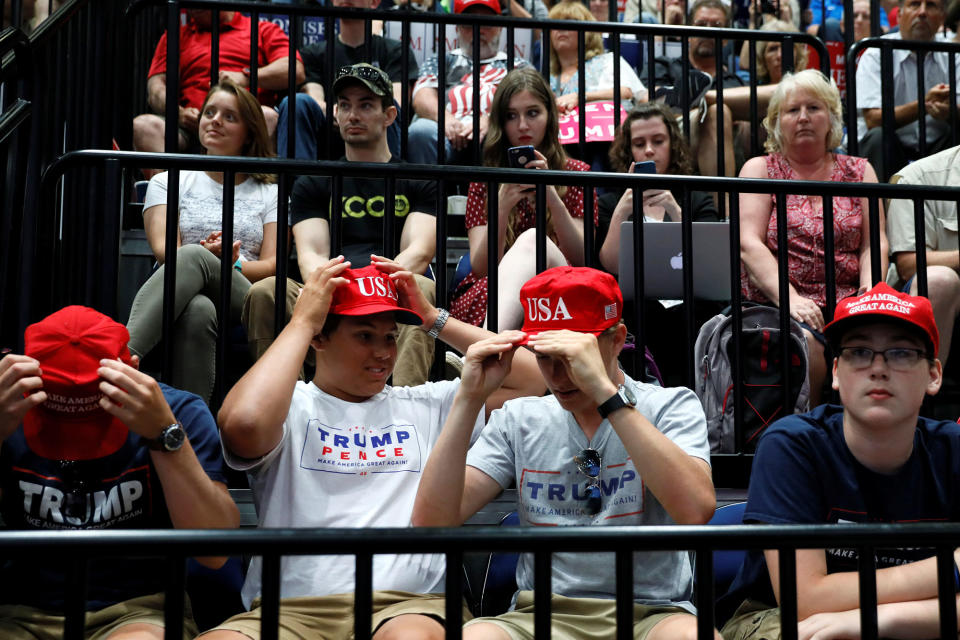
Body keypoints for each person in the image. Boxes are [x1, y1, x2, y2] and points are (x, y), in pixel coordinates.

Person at [202, 258, 543, 640]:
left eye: (389, 337)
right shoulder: (288, 404)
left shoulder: (428, 403)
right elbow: (242, 425)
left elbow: (532, 378)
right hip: (289, 611)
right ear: (319, 338)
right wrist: (301, 322)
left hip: (408, 604)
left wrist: (432, 318)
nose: (383, 352)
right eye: (365, 336)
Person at [412, 266, 717, 640]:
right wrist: (468, 400)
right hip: (538, 613)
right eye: (543, 356)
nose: (556, 375)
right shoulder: (520, 418)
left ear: (617, 339)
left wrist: (607, 396)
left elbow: (695, 510)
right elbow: (431, 524)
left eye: (572, 355)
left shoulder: (671, 406)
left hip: (653, 613)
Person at [719, 282, 960, 639]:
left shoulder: (953, 449)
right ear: (834, 372)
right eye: (859, 352)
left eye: (901, 353)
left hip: (914, 617)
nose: (878, 368)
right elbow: (806, 600)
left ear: (934, 375)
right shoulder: (791, 444)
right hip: (781, 618)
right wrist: (951, 567)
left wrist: (881, 621)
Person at [0, 305, 238, 639]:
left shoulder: (178, 409)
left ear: (133, 371)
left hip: (138, 610)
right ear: (23, 377)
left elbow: (215, 552)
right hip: (20, 610)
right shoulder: (6, 405)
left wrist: (165, 435)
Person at [243, 64, 438, 387]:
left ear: (389, 115)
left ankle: (407, 414)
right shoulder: (314, 182)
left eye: (365, 105)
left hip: (391, 296)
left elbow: (419, 252)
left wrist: (369, 290)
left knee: (424, 288)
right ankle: (280, 404)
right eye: (345, 105)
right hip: (333, 295)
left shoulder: (419, 180)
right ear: (335, 114)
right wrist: (345, 290)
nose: (353, 114)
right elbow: (310, 256)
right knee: (266, 292)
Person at [739, 69, 887, 406]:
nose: (804, 117)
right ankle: (808, 436)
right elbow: (748, 243)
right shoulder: (760, 169)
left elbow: (873, 242)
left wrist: (869, 292)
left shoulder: (860, 171)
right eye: (792, 111)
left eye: (814, 108)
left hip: (848, 302)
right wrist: (791, 299)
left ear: (832, 117)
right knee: (805, 343)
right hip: (775, 304)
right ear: (776, 123)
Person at [126, 80, 278, 403]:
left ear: (249, 132)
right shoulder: (168, 180)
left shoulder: (271, 190)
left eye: (230, 116)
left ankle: (121, 358)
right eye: (209, 112)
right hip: (183, 293)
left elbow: (273, 265)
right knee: (198, 310)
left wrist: (230, 264)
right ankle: (192, 434)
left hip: (243, 295)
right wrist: (206, 257)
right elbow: (165, 250)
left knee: (195, 257)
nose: (215, 121)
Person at [449, 67, 597, 331]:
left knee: (532, 239)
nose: (523, 125)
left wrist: (552, 196)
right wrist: (502, 206)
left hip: (561, 287)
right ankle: (489, 352)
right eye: (511, 116)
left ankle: (483, 353)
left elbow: (584, 259)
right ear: (500, 122)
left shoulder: (577, 173)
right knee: (503, 286)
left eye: (532, 113)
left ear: (549, 115)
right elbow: (482, 268)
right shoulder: (485, 179)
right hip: (495, 286)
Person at [132, 9, 304, 176]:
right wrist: (180, 114)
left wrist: (246, 78)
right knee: (143, 126)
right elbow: (155, 88)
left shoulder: (262, 29)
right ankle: (168, 195)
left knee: (267, 116)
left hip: (245, 121)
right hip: (191, 123)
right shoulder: (176, 35)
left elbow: (295, 70)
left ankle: (255, 192)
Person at [274, 0, 419, 160]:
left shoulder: (393, 51)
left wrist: (361, 111)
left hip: (375, 129)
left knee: (389, 107)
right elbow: (315, 99)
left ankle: (386, 180)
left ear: (375, 2)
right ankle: (297, 183)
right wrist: (342, 113)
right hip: (330, 130)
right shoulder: (314, 53)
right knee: (296, 103)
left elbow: (395, 102)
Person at [598, 102, 721, 275]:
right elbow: (611, 267)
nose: (649, 150)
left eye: (658, 141)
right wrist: (621, 212)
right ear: (628, 150)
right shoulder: (609, 204)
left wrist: (676, 212)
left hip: (687, 297)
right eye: (639, 144)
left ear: (673, 144)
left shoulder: (698, 201)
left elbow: (708, 263)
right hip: (634, 300)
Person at [407, 0, 529, 165]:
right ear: (457, 29)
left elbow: (528, 100)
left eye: (487, 23)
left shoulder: (518, 65)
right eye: (468, 24)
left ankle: (494, 191)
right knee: (420, 131)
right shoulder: (442, 59)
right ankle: (428, 191)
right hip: (444, 129)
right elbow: (422, 96)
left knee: (500, 135)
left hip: (494, 128)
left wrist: (491, 119)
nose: (478, 30)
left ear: (500, 27)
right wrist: (447, 121)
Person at [855, 0, 954, 181]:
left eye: (931, 5)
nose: (922, 12)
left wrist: (951, 111)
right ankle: (881, 208)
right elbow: (872, 119)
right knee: (877, 137)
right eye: (915, 4)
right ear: (899, 15)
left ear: (942, 17)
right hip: (892, 145)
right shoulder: (876, 53)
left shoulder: (954, 52)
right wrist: (924, 105)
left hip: (939, 145)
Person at [885, 144, 960, 367]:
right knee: (938, 280)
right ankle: (922, 395)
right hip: (946, 303)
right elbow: (908, 265)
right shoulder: (917, 178)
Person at [548, 1, 648, 114]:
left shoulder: (608, 61)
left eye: (568, 22)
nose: (560, 28)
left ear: (587, 32)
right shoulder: (548, 75)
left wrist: (581, 97)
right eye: (555, 23)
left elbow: (626, 92)